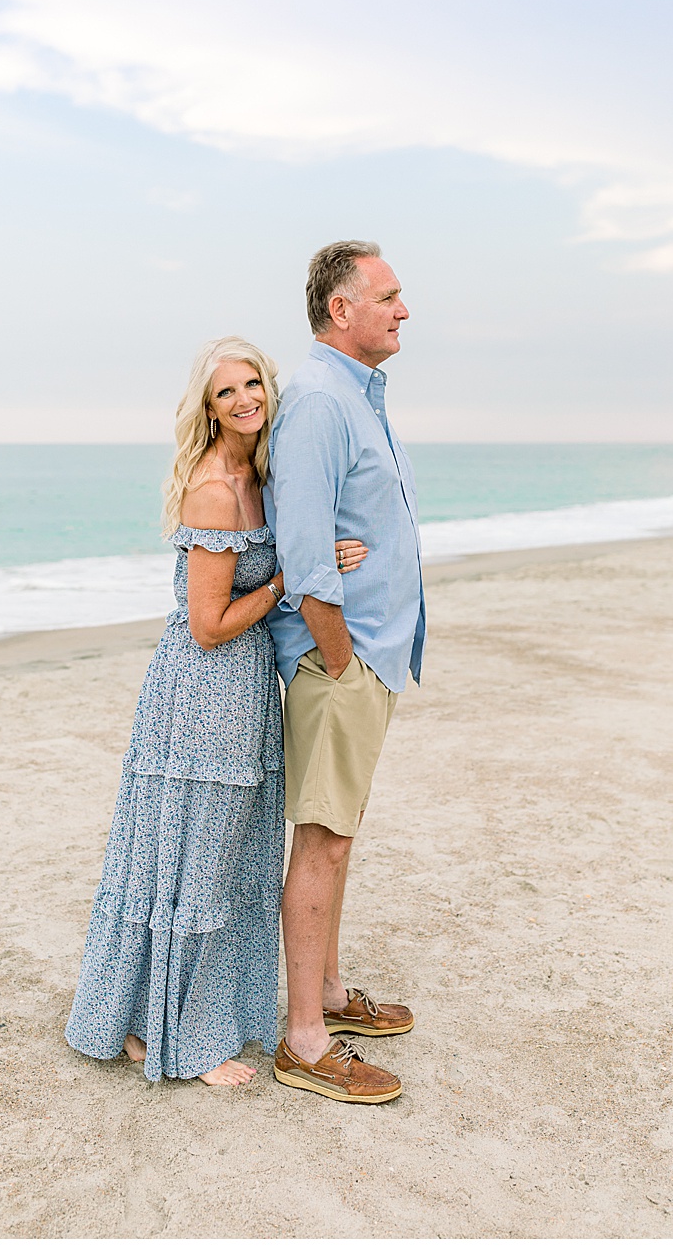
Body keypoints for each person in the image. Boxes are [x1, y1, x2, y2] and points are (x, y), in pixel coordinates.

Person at [65, 336, 367, 1085]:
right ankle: (172, 1039)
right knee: (194, 866)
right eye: (227, 392)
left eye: (255, 385)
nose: (246, 400)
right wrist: (291, 580)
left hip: (244, 689)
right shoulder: (215, 489)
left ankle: (158, 1018)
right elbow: (206, 626)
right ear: (208, 407)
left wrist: (319, 555)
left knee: (216, 863)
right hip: (203, 693)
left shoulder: (259, 478)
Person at [266, 239, 426, 1105]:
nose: (404, 311)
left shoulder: (357, 394)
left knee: (341, 831)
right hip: (343, 661)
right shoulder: (321, 402)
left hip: (371, 652)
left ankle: (327, 994)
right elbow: (303, 547)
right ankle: (303, 1040)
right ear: (341, 308)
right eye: (390, 296)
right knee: (322, 840)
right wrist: (339, 657)